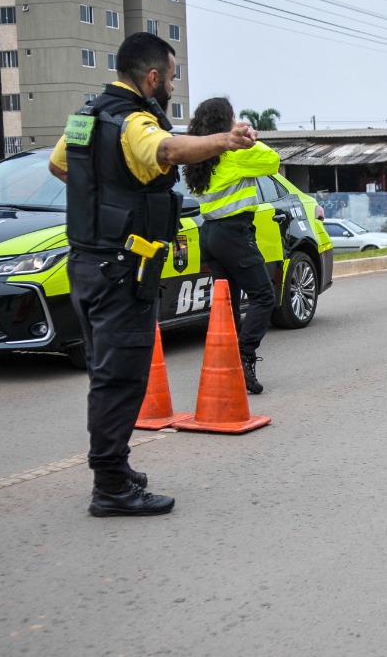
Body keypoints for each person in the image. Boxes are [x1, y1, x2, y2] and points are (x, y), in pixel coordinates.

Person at [48, 32, 256, 517]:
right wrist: (226, 139)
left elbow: (63, 168)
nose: (173, 84)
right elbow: (167, 152)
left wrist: (105, 197)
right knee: (119, 378)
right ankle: (112, 486)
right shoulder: (134, 122)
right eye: (172, 75)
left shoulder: (86, 117)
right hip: (121, 268)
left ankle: (114, 470)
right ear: (153, 77)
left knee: (107, 371)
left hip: (87, 261)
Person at [182, 96, 281, 395]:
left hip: (210, 234)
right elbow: (273, 162)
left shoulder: (201, 158)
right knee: (264, 295)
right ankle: (245, 354)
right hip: (233, 234)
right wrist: (249, 137)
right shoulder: (234, 155)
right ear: (225, 123)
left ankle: (231, 369)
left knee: (228, 304)